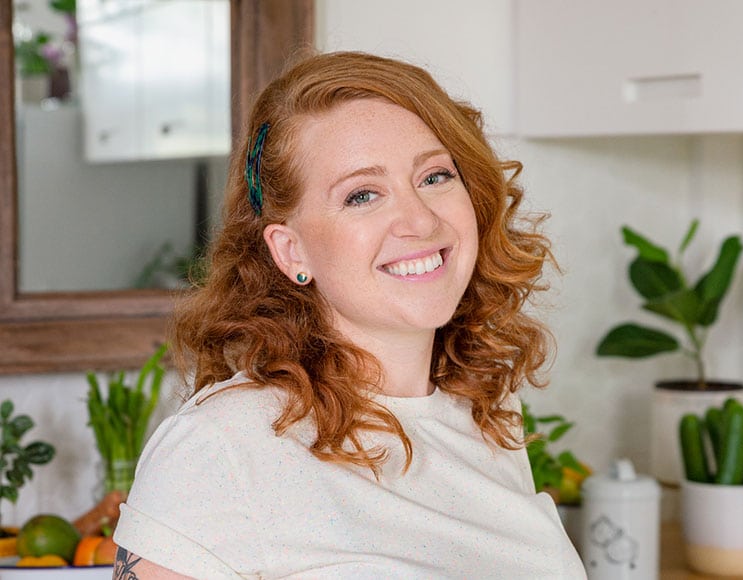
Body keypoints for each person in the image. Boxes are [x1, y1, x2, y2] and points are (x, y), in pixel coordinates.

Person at [112, 50, 586, 579]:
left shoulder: (487, 415)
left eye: (434, 176)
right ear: (291, 251)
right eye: (362, 195)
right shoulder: (224, 446)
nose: (419, 220)